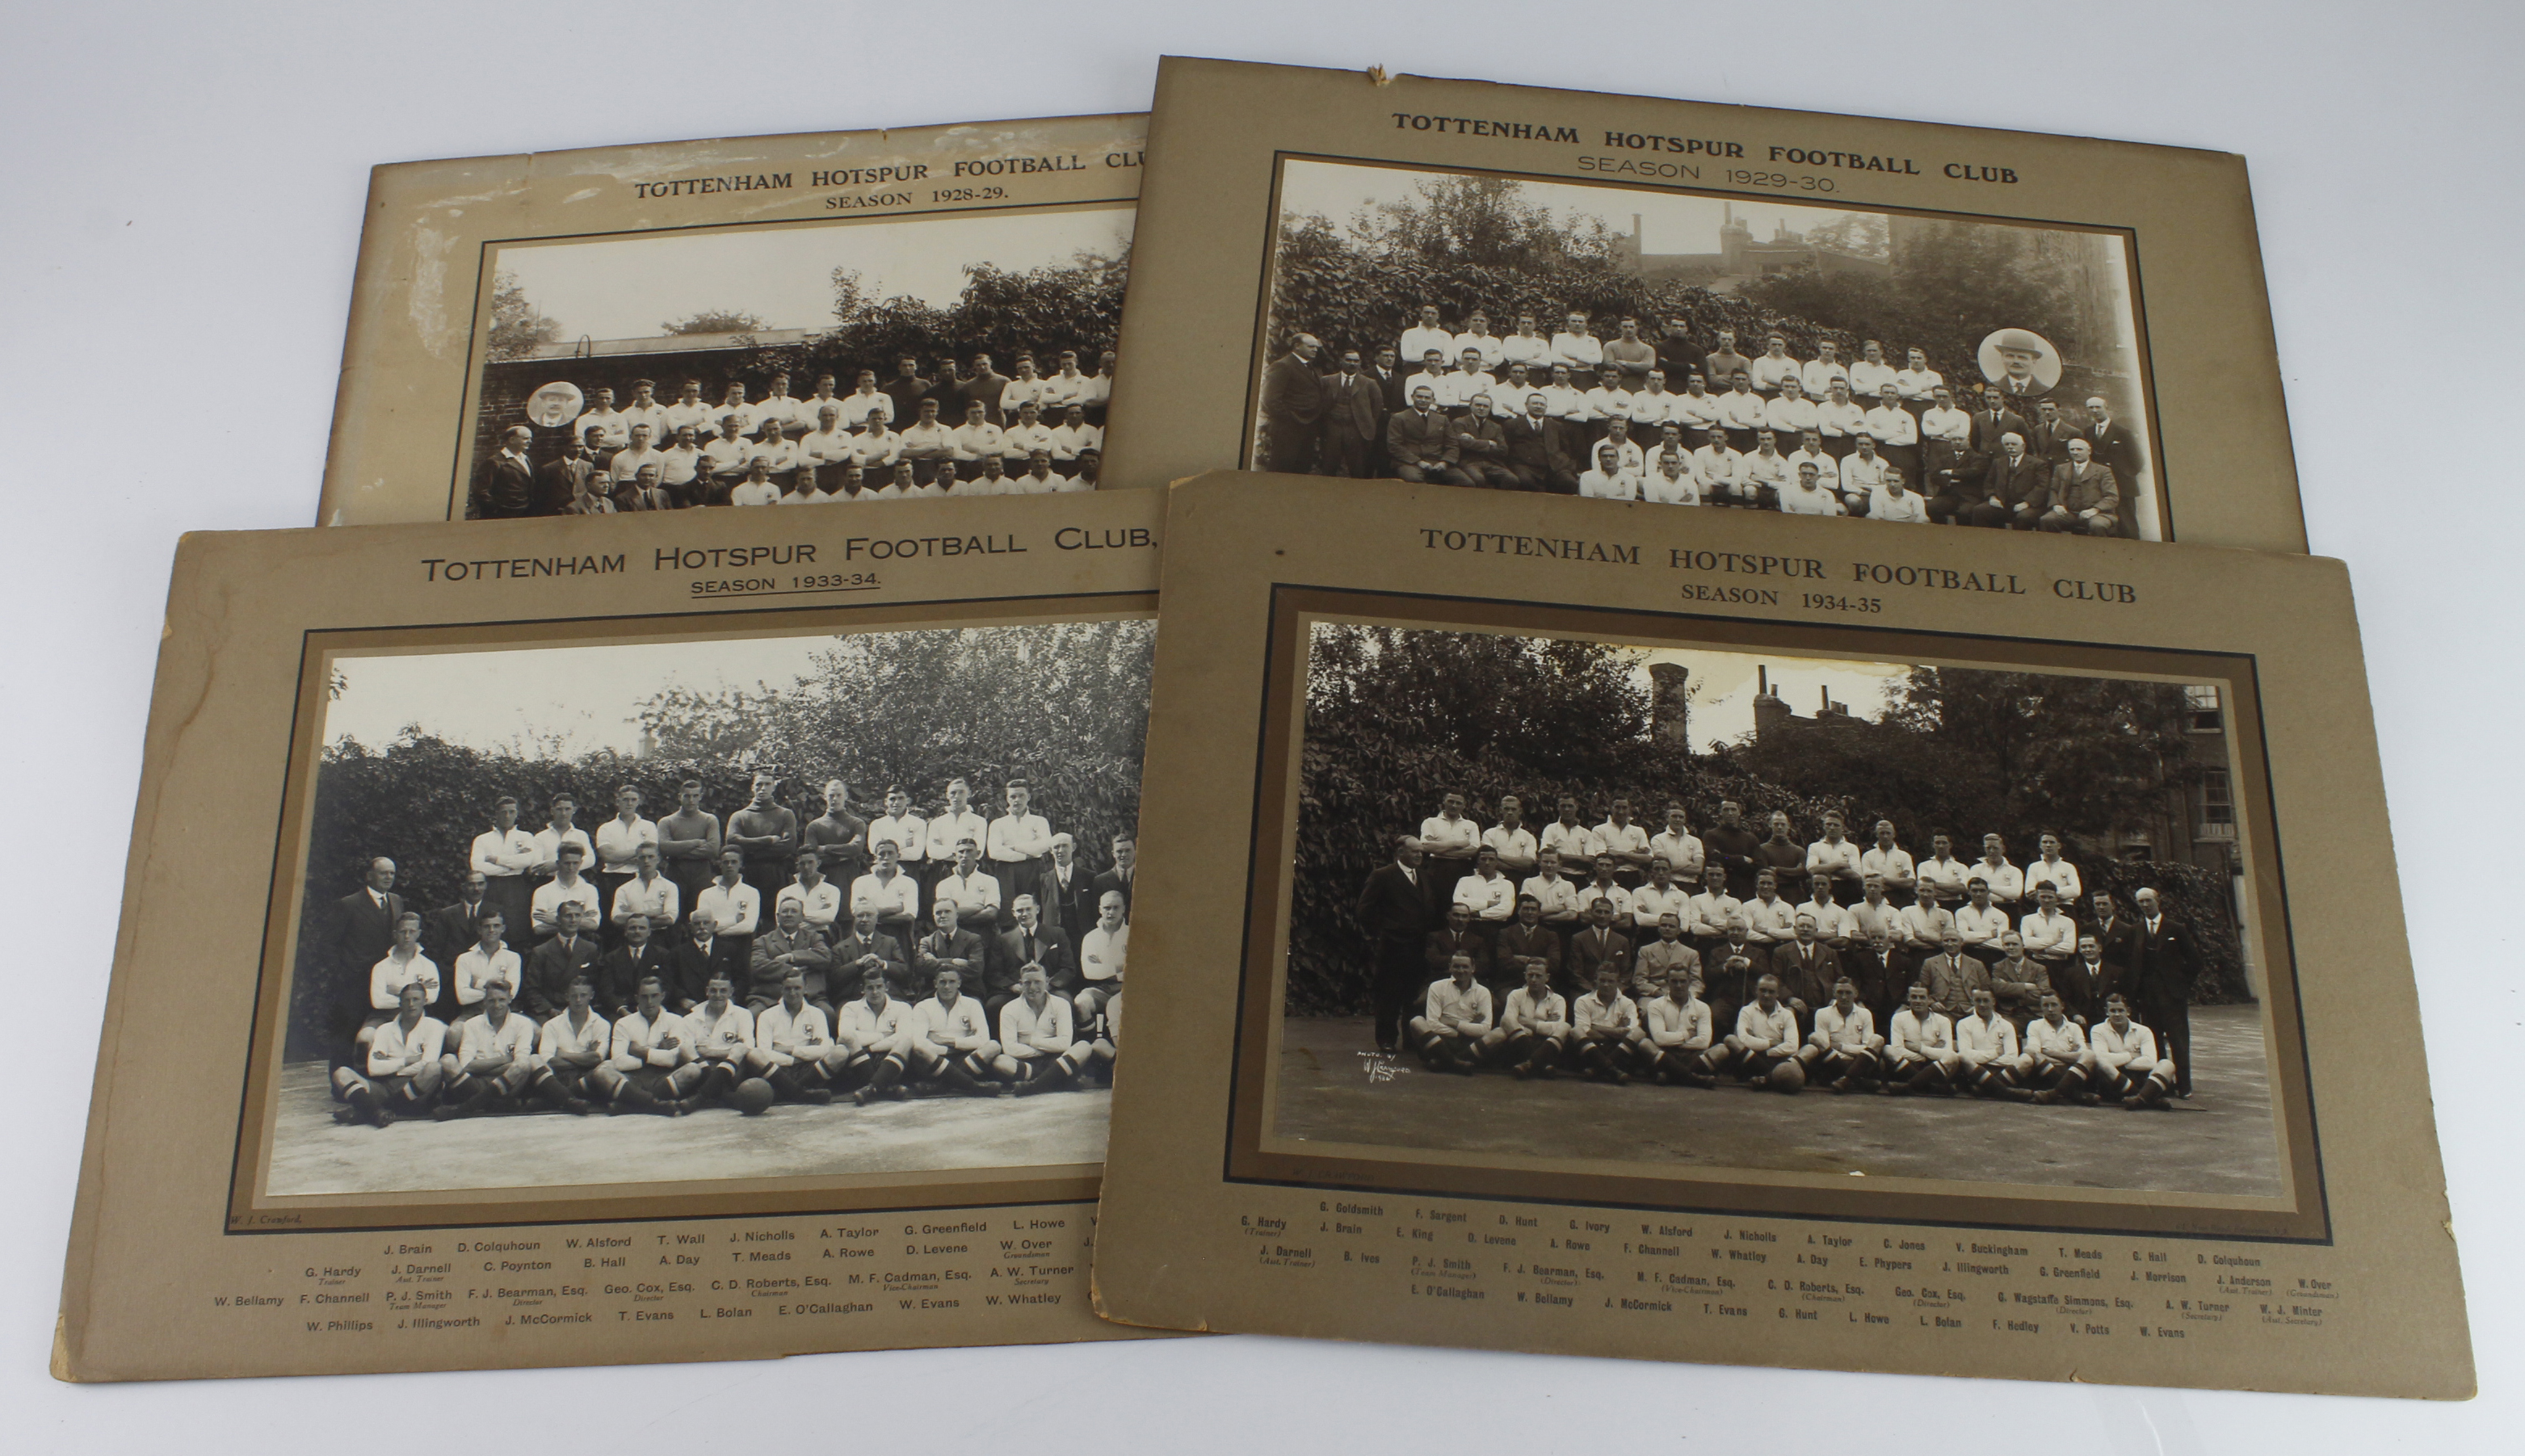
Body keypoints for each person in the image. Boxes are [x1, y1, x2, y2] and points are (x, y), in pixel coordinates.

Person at [331, 981, 445, 1126]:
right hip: (385, 1087)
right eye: (406, 1000)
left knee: (434, 1068)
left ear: (425, 1001)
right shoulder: (384, 1029)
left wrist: (390, 1063)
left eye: (416, 999)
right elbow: (373, 1069)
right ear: (400, 1003)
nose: (411, 1004)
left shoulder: (435, 1026)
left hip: (414, 1088)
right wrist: (407, 1060)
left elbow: (427, 1063)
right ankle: (378, 1112)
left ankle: (370, 1110)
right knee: (341, 1074)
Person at [2130, 887, 2203, 1097]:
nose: (2145, 905)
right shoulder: (2136, 930)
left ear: (2158, 901)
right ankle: (2162, 1083)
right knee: (2153, 1041)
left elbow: (2195, 961)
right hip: (2147, 995)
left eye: (2148, 901)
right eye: (2141, 902)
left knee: (2178, 1040)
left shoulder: (2176, 929)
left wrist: (2181, 984)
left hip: (2172, 995)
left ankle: (2184, 1085)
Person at [595, 976, 704, 1115]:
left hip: (663, 1077)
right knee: (602, 1071)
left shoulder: (675, 1020)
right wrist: (657, 1051)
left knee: (693, 1070)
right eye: (644, 997)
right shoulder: (624, 1023)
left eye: (654, 996)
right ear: (637, 998)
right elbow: (619, 1062)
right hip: (631, 1078)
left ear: (662, 996)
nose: (649, 1002)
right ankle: (656, 1104)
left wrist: (640, 1051)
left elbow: (671, 1059)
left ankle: (630, 1105)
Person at [993, 967, 1091, 1096]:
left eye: (1037, 982)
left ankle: (1034, 1086)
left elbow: (1065, 1044)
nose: (1032, 987)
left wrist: (1031, 1041)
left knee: (1084, 1046)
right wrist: (1043, 1049)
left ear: (1047, 981)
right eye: (1027, 983)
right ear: (1021, 984)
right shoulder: (1009, 1009)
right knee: (1000, 1061)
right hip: (1028, 1060)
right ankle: (1058, 1079)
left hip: (1056, 1058)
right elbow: (1010, 1049)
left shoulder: (1061, 1004)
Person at [747, 971, 839, 1105]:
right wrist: (798, 1057)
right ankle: (801, 1094)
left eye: (797, 988)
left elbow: (824, 1049)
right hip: (778, 1070)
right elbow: (764, 1052)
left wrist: (789, 1050)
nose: (792, 993)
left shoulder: (817, 1014)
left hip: (808, 1069)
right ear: (781, 989)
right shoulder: (767, 1015)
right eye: (788, 988)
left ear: (806, 988)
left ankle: (785, 1092)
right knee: (754, 1054)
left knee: (840, 1052)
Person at [905, 967, 999, 1096]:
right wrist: (951, 1049)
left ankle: (941, 1087)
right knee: (920, 1050)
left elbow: (983, 1039)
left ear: (959, 983)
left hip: (964, 1059)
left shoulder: (972, 1004)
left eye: (952, 982)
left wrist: (949, 1042)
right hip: (935, 1059)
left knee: (994, 1046)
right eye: (943, 982)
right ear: (935, 984)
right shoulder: (923, 1006)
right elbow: (919, 1042)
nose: (947, 987)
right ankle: (974, 1086)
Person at [528, 976, 611, 1116]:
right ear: (567, 997)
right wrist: (585, 1058)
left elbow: (598, 1058)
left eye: (583, 995)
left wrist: (563, 1054)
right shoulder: (552, 1025)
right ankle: (570, 1100)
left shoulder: (602, 1024)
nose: (578, 1000)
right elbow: (548, 1059)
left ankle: (555, 1099)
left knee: (607, 1066)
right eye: (574, 996)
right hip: (557, 1078)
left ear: (591, 996)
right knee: (534, 1059)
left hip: (586, 1078)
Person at [835, 971, 918, 1102]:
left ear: (887, 986)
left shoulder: (902, 1007)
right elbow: (846, 1035)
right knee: (847, 1039)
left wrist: (870, 1048)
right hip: (861, 1063)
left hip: (889, 1060)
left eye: (879, 986)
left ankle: (870, 1088)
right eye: (870, 988)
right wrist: (881, 1036)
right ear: (863, 988)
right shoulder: (851, 1007)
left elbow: (904, 1035)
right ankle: (884, 1088)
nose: (875, 992)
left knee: (906, 1042)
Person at [1481, 962, 1571, 1078]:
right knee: (1506, 1020)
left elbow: (1557, 1028)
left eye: (1538, 976)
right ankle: (1541, 1065)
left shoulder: (1558, 999)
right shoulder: (1515, 995)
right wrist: (1544, 1024)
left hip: (1545, 1044)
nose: (1534, 979)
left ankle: (1528, 1064)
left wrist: (1523, 1020)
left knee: (1565, 1027)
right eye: (1530, 975)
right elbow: (1508, 1022)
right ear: (1525, 976)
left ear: (1547, 977)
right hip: (1519, 1043)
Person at [2090, 992, 2179, 1109]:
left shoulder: (2144, 1031)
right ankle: (2148, 1099)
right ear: (2107, 1012)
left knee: (2167, 1064)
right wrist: (2131, 1056)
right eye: (2113, 1011)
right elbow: (2101, 1059)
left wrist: (2118, 1061)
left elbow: (2150, 1062)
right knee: (2104, 1065)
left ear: (2128, 1011)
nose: (2117, 1015)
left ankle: (2138, 1100)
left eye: (2121, 1010)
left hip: (2142, 1077)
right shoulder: (2098, 1030)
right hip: (2116, 1080)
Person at [1409, 953, 1494, 1073]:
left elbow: (1485, 1029)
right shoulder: (1437, 987)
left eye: (1465, 966)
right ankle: (1455, 1063)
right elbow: (1433, 1025)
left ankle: (1443, 1062)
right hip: (1439, 1040)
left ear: (1473, 968)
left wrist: (1453, 1023)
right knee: (1416, 1022)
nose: (1461, 970)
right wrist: (1465, 1031)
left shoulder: (1483, 992)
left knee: (1498, 1034)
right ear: (1450, 967)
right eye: (1456, 966)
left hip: (1467, 1044)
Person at [682, 971, 756, 1106]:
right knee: (684, 1049)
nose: (718, 995)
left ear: (731, 992)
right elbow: (688, 1050)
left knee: (740, 1049)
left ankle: (699, 1099)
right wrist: (727, 1050)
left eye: (723, 991)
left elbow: (748, 1046)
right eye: (713, 991)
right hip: (703, 1068)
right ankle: (723, 1096)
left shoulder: (743, 1014)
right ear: (707, 991)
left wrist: (709, 1052)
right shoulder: (691, 1018)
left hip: (732, 1069)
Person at [725, 773, 800, 906]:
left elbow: (788, 846)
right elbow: (733, 842)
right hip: (748, 873)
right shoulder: (740, 816)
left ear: (774, 787)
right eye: (759, 784)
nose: (763, 788)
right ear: (752, 787)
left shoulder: (785, 814)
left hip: (776, 873)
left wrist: (752, 850)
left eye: (767, 784)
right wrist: (768, 840)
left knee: (774, 916)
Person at [1714, 974, 1801, 1089]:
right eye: (1763, 990)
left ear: (1778, 993)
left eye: (1771, 992)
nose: (1766, 995)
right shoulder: (1746, 1011)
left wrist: (1762, 1051)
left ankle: (1766, 1079)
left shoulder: (1787, 1014)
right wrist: (1771, 1043)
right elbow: (1743, 1040)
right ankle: (1771, 1078)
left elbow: (1792, 1046)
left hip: (1768, 1058)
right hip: (1750, 1061)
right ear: (1756, 991)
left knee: (1807, 1051)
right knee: (1730, 1039)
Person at [520, 900, 600, 1021]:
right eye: (568, 916)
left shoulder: (590, 949)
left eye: (577, 915)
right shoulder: (541, 951)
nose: (573, 920)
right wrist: (550, 1010)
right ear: (558, 919)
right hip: (549, 1010)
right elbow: (531, 989)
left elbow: (595, 983)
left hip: (580, 1007)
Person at [749, 899, 832, 1010]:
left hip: (810, 997)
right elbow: (758, 966)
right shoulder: (763, 941)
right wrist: (795, 970)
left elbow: (825, 957)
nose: (789, 915)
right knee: (754, 1014)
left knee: (828, 1013)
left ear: (802, 917)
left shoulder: (814, 937)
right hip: (770, 998)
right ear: (777, 917)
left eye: (794, 911)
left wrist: (792, 957)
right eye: (785, 911)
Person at [1804, 976, 1882, 1093]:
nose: (1844, 997)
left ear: (1855, 994)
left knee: (1878, 1040)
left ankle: (1846, 1080)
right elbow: (1825, 1048)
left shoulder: (1865, 1014)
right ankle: (1857, 1081)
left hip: (1859, 1062)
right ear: (1834, 993)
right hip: (1835, 1063)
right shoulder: (1822, 1013)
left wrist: (1841, 1047)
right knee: (1814, 1038)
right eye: (1840, 993)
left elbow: (1868, 1046)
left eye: (1848, 993)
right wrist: (1855, 1058)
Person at [1880, 983, 1959, 1096]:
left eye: (1922, 997)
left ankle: (1908, 1087)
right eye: (1914, 997)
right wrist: (1926, 1056)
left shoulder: (1943, 1021)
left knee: (1953, 1057)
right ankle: (1929, 1086)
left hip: (1934, 1067)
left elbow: (1947, 1053)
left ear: (1929, 999)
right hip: (1908, 1065)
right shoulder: (1898, 1018)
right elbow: (1897, 1049)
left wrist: (1920, 1048)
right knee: (1888, 1049)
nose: (1918, 1001)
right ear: (1908, 998)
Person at [1317, 349, 1385, 478]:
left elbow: (1377, 406)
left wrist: (1366, 422)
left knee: (1357, 466)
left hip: (1356, 428)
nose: (1352, 363)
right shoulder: (1327, 381)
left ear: (1360, 363)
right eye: (1348, 360)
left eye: (1356, 361)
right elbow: (1320, 403)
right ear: (1341, 361)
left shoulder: (1369, 383)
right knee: (1329, 464)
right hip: (1333, 426)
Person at [657, 780, 722, 914]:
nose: (691, 800)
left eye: (695, 796)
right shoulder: (667, 821)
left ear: (701, 796)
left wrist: (677, 850)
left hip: (701, 873)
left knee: (701, 915)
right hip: (675, 872)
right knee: (673, 915)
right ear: (680, 796)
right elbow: (664, 848)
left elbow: (713, 849)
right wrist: (696, 843)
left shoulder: (709, 820)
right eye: (687, 796)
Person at [597, 912, 674, 1022]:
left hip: (653, 1007)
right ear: (625, 932)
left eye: (642, 928)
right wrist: (622, 1009)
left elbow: (667, 987)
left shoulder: (662, 955)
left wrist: (649, 1007)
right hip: (623, 1011)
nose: (637, 931)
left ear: (649, 932)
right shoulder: (612, 958)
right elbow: (607, 991)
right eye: (632, 928)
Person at [1569, 964, 1641, 1083]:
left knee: (1639, 1033)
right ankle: (1612, 1070)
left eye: (1611, 981)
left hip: (1617, 1050)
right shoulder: (1583, 1001)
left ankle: (1597, 1070)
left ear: (1618, 982)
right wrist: (1616, 1031)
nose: (1606, 985)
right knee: (1575, 1031)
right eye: (1602, 980)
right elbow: (1584, 1031)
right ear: (1596, 981)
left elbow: (1630, 1032)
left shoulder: (1627, 1003)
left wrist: (1595, 1027)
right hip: (1592, 1049)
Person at [448, 910, 523, 1023]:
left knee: (536, 1031)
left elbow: (511, 993)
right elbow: (463, 997)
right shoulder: (464, 958)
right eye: (487, 926)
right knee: (454, 1033)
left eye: (496, 926)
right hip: (473, 1011)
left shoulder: (513, 957)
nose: (492, 930)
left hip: (505, 1011)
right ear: (479, 930)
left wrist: (478, 984)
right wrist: (499, 993)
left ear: (503, 928)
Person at [2018, 992, 2092, 1104]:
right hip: (2045, 1073)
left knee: (2090, 1055)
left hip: (2071, 1073)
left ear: (2062, 1005)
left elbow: (2083, 1055)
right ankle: (2074, 1095)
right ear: (2041, 1007)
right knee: (2028, 1055)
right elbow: (2033, 1052)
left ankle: (2052, 1094)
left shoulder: (2074, 1027)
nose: (2050, 1009)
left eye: (2054, 1005)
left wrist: (2049, 1053)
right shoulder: (2035, 1025)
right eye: (2046, 1005)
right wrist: (2068, 1056)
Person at [1387, 384, 1469, 485]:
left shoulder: (1442, 419)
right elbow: (1394, 445)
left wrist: (1445, 462)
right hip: (1409, 462)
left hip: (1437, 461)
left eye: (1427, 398)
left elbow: (1452, 444)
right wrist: (1418, 461)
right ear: (1412, 397)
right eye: (1419, 397)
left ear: (1433, 400)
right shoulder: (1399, 418)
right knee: (1415, 479)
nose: (1423, 400)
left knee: (1466, 482)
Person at [1952, 987, 2023, 1098]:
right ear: (1972, 1001)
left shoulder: (2006, 1025)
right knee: (1963, 1058)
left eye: (1986, 1000)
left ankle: (1983, 1089)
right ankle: (2007, 1092)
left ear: (1993, 1001)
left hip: (2000, 1071)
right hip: (1974, 1070)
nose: (1982, 1004)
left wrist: (1979, 1056)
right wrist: (1995, 1053)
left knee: (2024, 1062)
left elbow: (2012, 1058)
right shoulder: (1964, 1024)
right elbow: (1965, 1055)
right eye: (1978, 1000)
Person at [1076, 889, 1130, 1032]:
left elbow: (1138, 970)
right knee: (1081, 1003)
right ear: (1100, 909)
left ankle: (1115, 1048)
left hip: (1127, 989)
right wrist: (1122, 966)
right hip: (1102, 989)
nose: (1111, 912)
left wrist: (1103, 967)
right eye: (1107, 908)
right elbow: (1089, 972)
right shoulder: (1091, 937)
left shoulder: (1133, 934)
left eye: (1116, 907)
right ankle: (1089, 1044)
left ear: (1124, 909)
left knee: (1116, 1006)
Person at [1491, 895, 1561, 1004]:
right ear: (1519, 911)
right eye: (1526, 909)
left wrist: (1522, 959)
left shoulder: (1550, 935)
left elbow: (1554, 964)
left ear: (1539, 913)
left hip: (1541, 984)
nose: (1530, 912)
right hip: (1511, 983)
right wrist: (1540, 961)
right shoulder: (1505, 933)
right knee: (1510, 1003)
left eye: (1533, 909)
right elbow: (1504, 961)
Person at [2040, 438, 2120, 535]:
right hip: (2068, 512)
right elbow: (2053, 490)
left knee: (2098, 525)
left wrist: (2095, 509)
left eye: (2079, 449)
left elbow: (2112, 496)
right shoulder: (2061, 468)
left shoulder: (2103, 471)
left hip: (2097, 513)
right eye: (2072, 449)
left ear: (2089, 451)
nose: (2075, 452)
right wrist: (2056, 505)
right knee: (2047, 520)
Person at [1503, 392, 1580, 493]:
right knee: (1525, 481)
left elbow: (1566, 449)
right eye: (1535, 403)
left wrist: (1564, 465)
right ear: (1526, 405)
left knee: (1569, 482)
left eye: (1542, 404)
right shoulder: (1512, 424)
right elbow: (1506, 448)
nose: (1538, 406)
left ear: (1546, 407)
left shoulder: (1556, 425)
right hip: (1524, 466)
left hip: (1553, 467)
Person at [529, 841, 601, 943]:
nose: (571, 867)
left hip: (582, 943)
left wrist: (555, 920)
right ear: (558, 863)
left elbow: (593, 925)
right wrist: (581, 920)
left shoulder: (590, 890)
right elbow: (539, 929)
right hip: (550, 943)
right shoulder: (542, 891)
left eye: (575, 863)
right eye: (567, 863)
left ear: (581, 863)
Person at [1986, 931, 2053, 1033]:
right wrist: (2026, 987)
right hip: (2010, 1014)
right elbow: (1998, 989)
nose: (2011, 947)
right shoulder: (1998, 967)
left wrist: (2010, 989)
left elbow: (2042, 993)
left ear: (2023, 946)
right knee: (2003, 1028)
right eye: (2007, 944)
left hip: (2034, 1013)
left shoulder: (2038, 968)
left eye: (2015, 944)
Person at [1917, 927, 1989, 1021]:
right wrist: (1932, 1003)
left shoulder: (1977, 964)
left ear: (1961, 942)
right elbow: (1922, 989)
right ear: (1941, 943)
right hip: (1942, 1012)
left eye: (1954, 940)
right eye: (1946, 941)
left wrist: (1978, 1006)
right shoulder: (1930, 963)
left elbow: (1987, 989)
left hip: (1971, 1011)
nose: (1950, 944)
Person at [694, 846, 762, 946]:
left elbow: (749, 926)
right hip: (714, 944)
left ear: (741, 864)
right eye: (726, 862)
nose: (730, 865)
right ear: (720, 864)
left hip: (741, 944)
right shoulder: (706, 894)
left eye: (734, 862)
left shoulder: (751, 892)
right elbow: (703, 924)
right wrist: (734, 920)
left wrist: (718, 931)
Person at [1632, 912, 1701, 1007]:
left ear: (1679, 930)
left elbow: (1697, 982)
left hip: (1682, 995)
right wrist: (1657, 992)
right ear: (1659, 928)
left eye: (1672, 926)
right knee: (1646, 1009)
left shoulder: (1691, 954)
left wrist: (1688, 995)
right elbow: (1639, 980)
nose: (1667, 928)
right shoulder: (1646, 950)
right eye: (1664, 925)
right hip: (1653, 996)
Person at [1569, 897, 1632, 997]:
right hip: (1586, 991)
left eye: (1606, 912)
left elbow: (1626, 974)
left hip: (1615, 991)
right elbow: (1576, 974)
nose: (1602, 916)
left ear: (1612, 915)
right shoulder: (1578, 939)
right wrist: (1594, 992)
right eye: (1599, 911)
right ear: (1591, 912)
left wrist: (1613, 990)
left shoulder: (1622, 941)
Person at [2017, 883, 2079, 983]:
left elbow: (2070, 948)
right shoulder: (2028, 919)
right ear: (2037, 898)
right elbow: (2027, 943)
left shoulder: (2068, 921)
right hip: (2036, 964)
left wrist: (2042, 950)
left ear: (2056, 898)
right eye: (2043, 897)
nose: (2046, 900)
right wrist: (2054, 941)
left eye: (2050, 897)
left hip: (2060, 966)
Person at [1630, 858, 1693, 943]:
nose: (1661, 873)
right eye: (1657, 869)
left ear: (1670, 872)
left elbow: (1684, 926)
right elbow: (1641, 919)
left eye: (1664, 869)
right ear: (1651, 872)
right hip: (1648, 938)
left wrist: (1650, 915)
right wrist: (1674, 919)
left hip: (1675, 940)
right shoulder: (1639, 892)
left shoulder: (1682, 895)